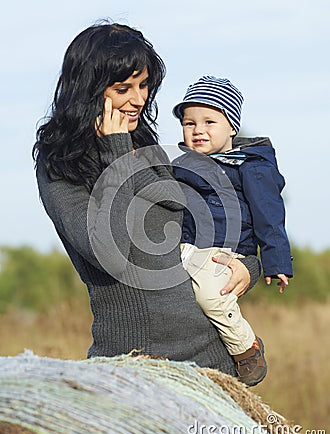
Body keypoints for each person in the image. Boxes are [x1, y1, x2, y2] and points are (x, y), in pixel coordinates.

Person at [32, 21, 262, 376]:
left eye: (144, 85)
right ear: (90, 89)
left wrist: (250, 264)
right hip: (134, 365)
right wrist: (118, 153)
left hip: (212, 358)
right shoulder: (59, 163)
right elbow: (109, 252)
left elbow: (198, 226)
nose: (139, 99)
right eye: (124, 88)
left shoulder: (144, 145)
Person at [172, 75, 293, 385]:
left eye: (209, 121)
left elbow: (269, 214)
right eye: (189, 123)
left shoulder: (250, 166)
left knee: (212, 295)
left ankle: (245, 348)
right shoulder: (182, 165)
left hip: (229, 252)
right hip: (189, 249)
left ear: (232, 127)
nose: (198, 130)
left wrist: (276, 261)